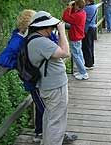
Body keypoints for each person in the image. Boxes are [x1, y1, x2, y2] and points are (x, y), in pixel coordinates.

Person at [27, 11, 77, 145]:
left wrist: (59, 32)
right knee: (57, 122)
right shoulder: (40, 42)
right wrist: (61, 31)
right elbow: (65, 52)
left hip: (49, 85)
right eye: (50, 26)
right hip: (54, 87)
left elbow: (59, 50)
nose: (52, 28)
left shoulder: (34, 39)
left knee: (50, 118)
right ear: (43, 27)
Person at [0, 9, 45, 142]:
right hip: (32, 80)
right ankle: (50, 134)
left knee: (41, 106)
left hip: (38, 78)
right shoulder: (17, 40)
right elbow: (3, 59)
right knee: (44, 108)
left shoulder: (28, 36)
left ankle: (39, 133)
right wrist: (20, 64)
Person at [62, 0, 89, 80]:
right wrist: (73, 7)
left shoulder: (78, 15)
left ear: (77, 6)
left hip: (75, 37)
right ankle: (82, 70)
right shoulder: (82, 12)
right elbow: (72, 16)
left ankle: (84, 73)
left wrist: (69, 8)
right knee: (79, 53)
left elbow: (65, 18)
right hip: (79, 36)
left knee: (76, 55)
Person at [82, 0, 97, 70]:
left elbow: (79, 12)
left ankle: (88, 64)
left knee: (86, 46)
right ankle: (91, 62)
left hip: (87, 29)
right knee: (90, 46)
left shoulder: (87, 8)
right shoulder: (94, 6)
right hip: (93, 27)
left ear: (88, 0)